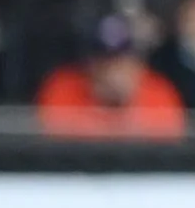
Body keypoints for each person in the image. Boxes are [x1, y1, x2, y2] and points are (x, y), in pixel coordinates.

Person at [36, 12, 186, 139]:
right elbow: (50, 146)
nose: (113, 70)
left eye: (122, 61)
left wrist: (127, 105)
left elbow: (170, 153)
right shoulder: (63, 87)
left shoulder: (158, 92)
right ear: (90, 63)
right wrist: (97, 104)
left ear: (138, 63)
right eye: (105, 61)